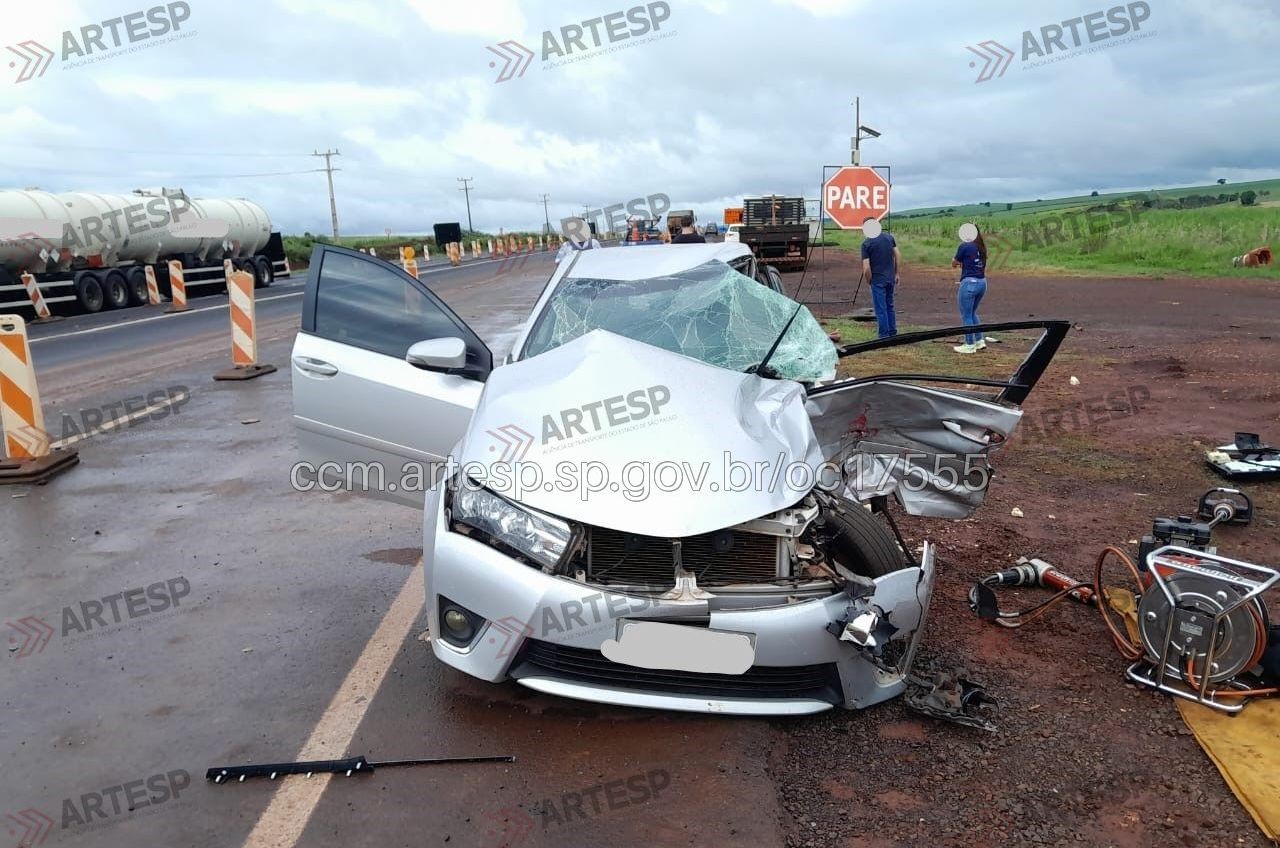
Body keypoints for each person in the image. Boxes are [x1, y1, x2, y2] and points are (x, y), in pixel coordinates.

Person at [859, 218, 900, 338]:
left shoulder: (866, 244)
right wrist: (896, 273)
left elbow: (866, 267)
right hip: (890, 277)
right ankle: (892, 332)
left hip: (877, 280)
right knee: (889, 306)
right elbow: (897, 254)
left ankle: (884, 335)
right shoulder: (889, 238)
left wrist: (869, 280)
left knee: (880, 308)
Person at [951, 223, 988, 353]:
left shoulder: (964, 246)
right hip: (982, 282)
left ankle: (969, 344)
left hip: (969, 282)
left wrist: (956, 261)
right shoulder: (982, 247)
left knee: (966, 314)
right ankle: (979, 340)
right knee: (973, 312)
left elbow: (954, 263)